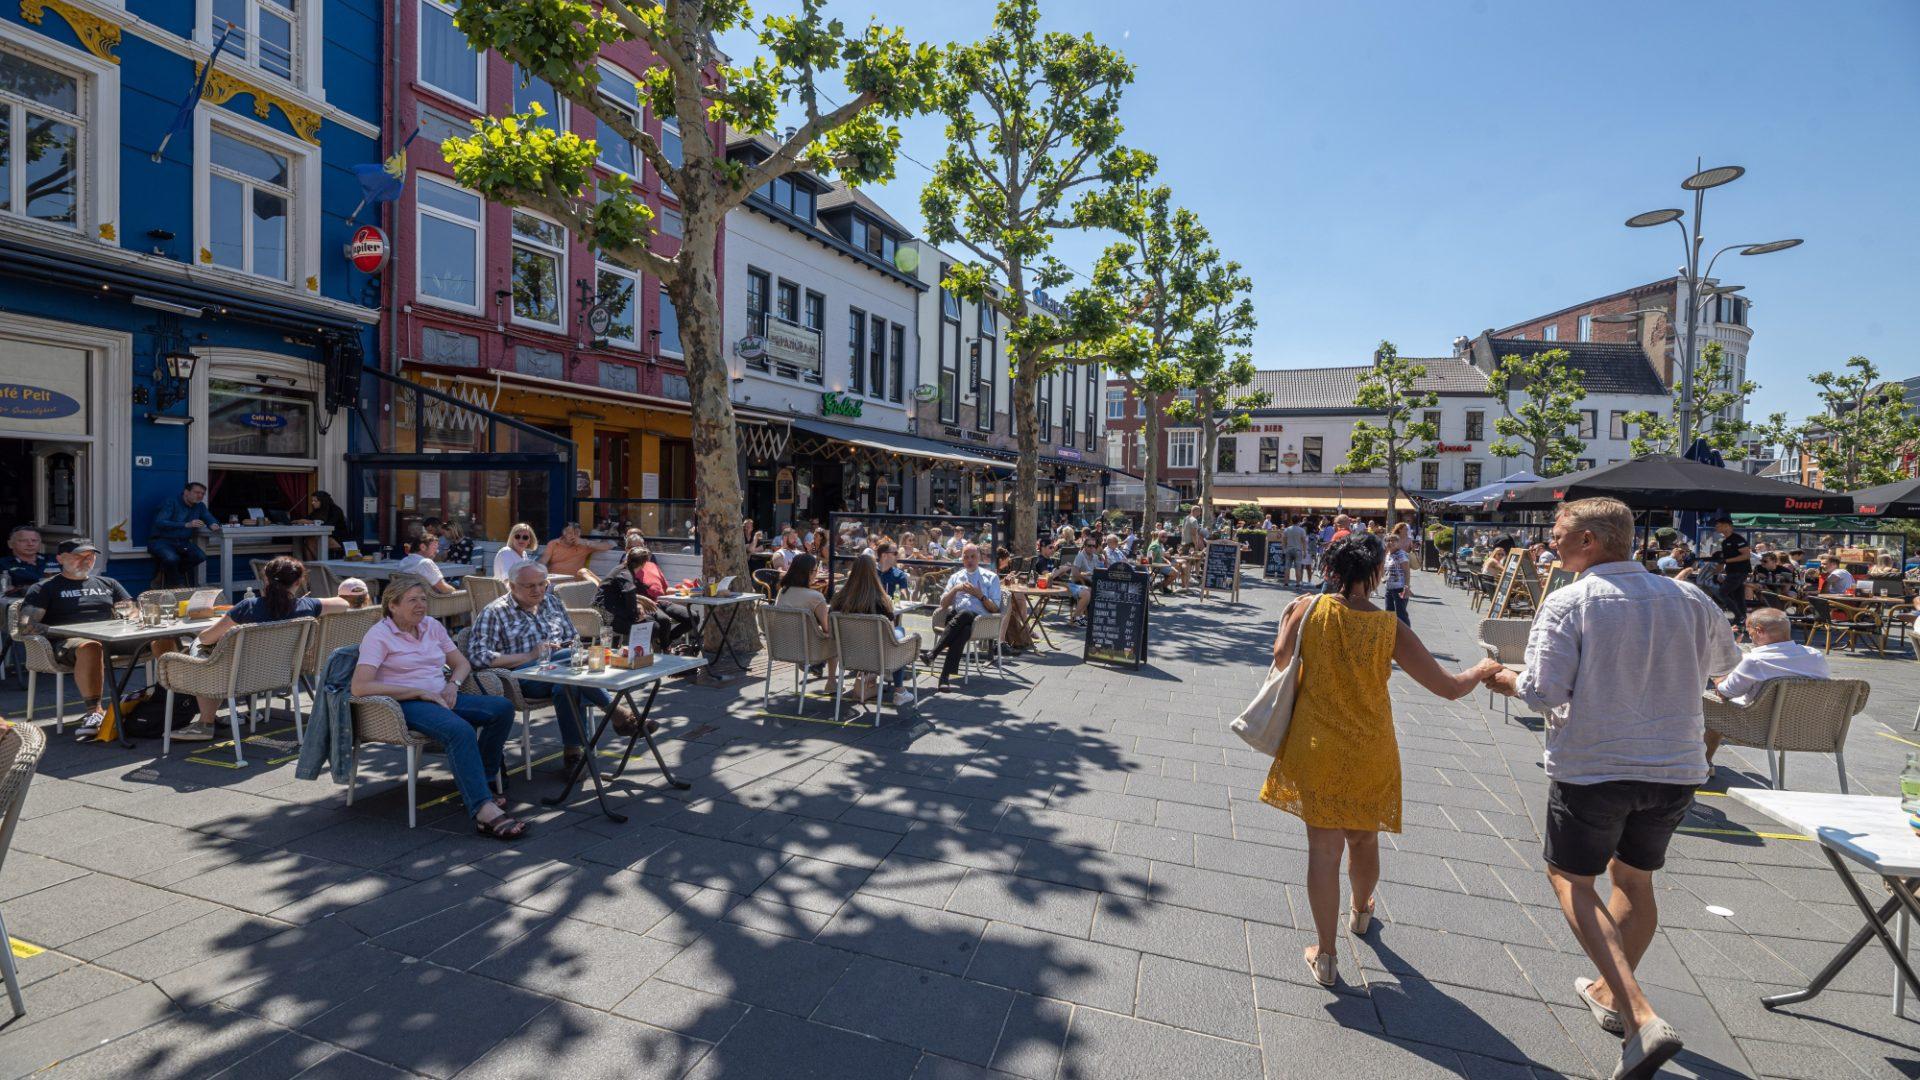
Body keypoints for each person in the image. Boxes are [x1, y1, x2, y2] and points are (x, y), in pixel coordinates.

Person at [1487, 498, 1739, 1079]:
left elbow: (1544, 692)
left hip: (1597, 764)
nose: (1551, 542)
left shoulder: (1570, 601)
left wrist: (1503, 678)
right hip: (1675, 766)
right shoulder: (1691, 597)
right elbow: (1726, 666)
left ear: (1589, 543)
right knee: (1634, 877)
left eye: (1559, 534)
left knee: (1571, 879)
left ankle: (1639, 1013)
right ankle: (1607, 991)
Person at [1262, 533, 1500, 989]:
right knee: (1364, 840)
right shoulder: (1390, 628)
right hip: (1370, 747)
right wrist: (1482, 670)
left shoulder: (1307, 609)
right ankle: (1361, 910)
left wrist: (1288, 618)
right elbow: (1449, 687)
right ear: (1375, 575)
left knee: (1322, 851)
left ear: (1331, 568)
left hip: (1315, 746)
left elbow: (1279, 657)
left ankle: (1326, 956)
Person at [352, 583, 524, 839]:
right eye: (412, 600)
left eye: (424, 599)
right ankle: (483, 811)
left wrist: (453, 685)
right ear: (393, 605)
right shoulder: (379, 635)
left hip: (441, 694)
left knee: (502, 708)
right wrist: (418, 692)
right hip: (406, 704)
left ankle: (484, 780)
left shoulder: (431, 625)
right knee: (460, 731)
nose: (421, 605)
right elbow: (360, 686)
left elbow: (461, 663)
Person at [473, 561, 640, 776]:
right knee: (573, 665)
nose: (537, 590)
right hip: (522, 677)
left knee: (567, 686)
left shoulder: (552, 602)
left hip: (561, 670)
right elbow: (478, 658)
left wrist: (567, 650)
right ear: (512, 586)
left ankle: (573, 754)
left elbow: (572, 639)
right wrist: (530, 655)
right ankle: (617, 713)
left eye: (542, 584)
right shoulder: (494, 612)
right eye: (529, 586)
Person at [179, 556, 354, 740]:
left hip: (238, 675)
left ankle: (206, 723)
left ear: (266, 580)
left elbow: (206, 637)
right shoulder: (308, 606)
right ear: (297, 583)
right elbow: (343, 603)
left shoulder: (248, 607)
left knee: (203, 652)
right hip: (283, 673)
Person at [17, 539, 148, 740]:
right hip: (70, 642)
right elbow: (25, 625)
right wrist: (62, 631)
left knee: (163, 640)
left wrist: (131, 616)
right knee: (91, 646)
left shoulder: (109, 583)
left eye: (91, 556)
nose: (86, 560)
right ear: (61, 558)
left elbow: (132, 611)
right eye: (79, 556)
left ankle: (166, 700)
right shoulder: (44, 588)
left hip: (111, 637)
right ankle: (94, 712)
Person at [1705, 607, 1830, 762]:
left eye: (1751, 635)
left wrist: (1718, 675)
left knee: (1710, 703)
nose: (1751, 639)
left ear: (1759, 631)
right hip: (1809, 729)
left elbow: (1725, 692)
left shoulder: (1755, 660)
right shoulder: (1815, 656)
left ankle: (1704, 763)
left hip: (1759, 728)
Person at [828, 554, 916, 706]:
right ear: (873, 573)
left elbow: (831, 629)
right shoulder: (881, 600)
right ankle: (899, 690)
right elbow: (890, 624)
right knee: (899, 632)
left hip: (849, 653)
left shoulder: (839, 599)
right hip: (878, 654)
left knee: (895, 634)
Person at [922, 544, 1002, 692]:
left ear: (978, 557)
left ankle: (934, 653)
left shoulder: (991, 577)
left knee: (966, 616)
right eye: (966, 557)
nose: (969, 560)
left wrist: (980, 595)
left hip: (981, 622)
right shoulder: (955, 577)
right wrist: (955, 589)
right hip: (955, 619)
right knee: (964, 629)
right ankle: (944, 678)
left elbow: (995, 608)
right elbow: (944, 605)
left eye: (973, 556)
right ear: (962, 559)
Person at [598, 547, 692, 661]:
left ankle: (647, 654)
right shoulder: (626, 573)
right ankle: (639, 657)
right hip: (608, 615)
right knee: (654, 627)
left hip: (603, 611)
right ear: (644, 563)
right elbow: (628, 592)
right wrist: (635, 615)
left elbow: (623, 594)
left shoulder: (620, 568)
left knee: (656, 623)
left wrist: (637, 606)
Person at [148, 482, 221, 587]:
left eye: (202, 494)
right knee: (172, 558)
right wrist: (186, 524)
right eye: (197, 492)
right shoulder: (171, 502)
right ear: (186, 492)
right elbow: (160, 522)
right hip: (161, 541)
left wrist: (213, 524)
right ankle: (176, 584)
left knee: (200, 556)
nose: (200, 496)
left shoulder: (200, 506)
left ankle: (165, 573)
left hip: (182, 542)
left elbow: (208, 517)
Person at [1711, 515, 1751, 633]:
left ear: (1727, 526)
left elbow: (1746, 555)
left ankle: (1739, 616)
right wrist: (1715, 574)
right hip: (1732, 572)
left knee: (1722, 592)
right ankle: (1742, 622)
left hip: (1740, 571)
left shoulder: (1737, 539)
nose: (1716, 527)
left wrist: (1726, 561)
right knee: (1738, 597)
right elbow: (1723, 560)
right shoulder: (1725, 542)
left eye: (1718, 525)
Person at [541, 522, 612, 584]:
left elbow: (607, 546)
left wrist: (586, 542)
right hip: (553, 581)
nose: (573, 536)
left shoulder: (584, 545)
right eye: (570, 533)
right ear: (564, 533)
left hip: (573, 583)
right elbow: (543, 561)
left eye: (577, 533)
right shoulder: (554, 544)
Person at [2, 525, 57, 597]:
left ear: (40, 543)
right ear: (10, 544)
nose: (30, 544)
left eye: (34, 540)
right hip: (21, 603)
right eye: (23, 540)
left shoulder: (55, 559)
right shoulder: (3, 564)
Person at [293, 491, 350, 558]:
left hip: (337, 539)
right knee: (307, 541)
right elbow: (306, 519)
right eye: (312, 500)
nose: (312, 503)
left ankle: (320, 564)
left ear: (323, 501)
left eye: (315, 501)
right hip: (321, 537)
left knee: (310, 541)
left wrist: (311, 522)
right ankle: (312, 566)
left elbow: (329, 525)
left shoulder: (335, 510)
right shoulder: (317, 511)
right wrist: (298, 521)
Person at [1381, 535, 1412, 625]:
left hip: (1399, 588)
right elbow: (1384, 569)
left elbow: (1407, 571)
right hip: (1389, 588)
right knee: (1388, 613)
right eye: (1388, 540)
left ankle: (1407, 635)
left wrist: (1406, 586)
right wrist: (1383, 579)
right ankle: (1391, 633)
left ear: (1398, 543)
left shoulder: (1401, 554)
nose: (1390, 542)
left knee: (1401, 614)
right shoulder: (1387, 554)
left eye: (1393, 541)